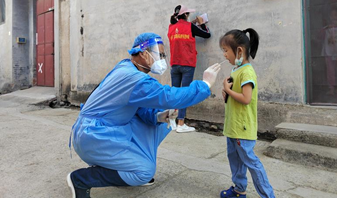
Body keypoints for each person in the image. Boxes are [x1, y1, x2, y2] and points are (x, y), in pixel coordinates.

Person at [67, 32, 221, 198]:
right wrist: (204, 84)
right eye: (159, 54)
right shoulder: (134, 78)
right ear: (142, 53)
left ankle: (127, 171)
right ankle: (81, 180)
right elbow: (168, 96)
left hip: (98, 131)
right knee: (145, 170)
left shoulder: (126, 68)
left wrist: (159, 117)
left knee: (158, 124)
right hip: (93, 137)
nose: (162, 59)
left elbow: (138, 107)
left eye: (163, 55)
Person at [219, 29, 275, 198]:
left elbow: (246, 98)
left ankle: (268, 195)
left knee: (251, 162)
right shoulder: (236, 69)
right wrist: (226, 93)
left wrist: (228, 90)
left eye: (226, 50)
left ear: (239, 51)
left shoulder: (247, 72)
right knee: (235, 160)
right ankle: (239, 189)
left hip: (242, 128)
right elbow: (236, 97)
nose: (224, 55)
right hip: (233, 126)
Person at [167, 5, 211, 133]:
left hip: (174, 64)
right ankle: (181, 123)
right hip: (187, 64)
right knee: (185, 94)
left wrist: (191, 24)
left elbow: (179, 31)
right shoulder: (190, 27)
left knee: (174, 93)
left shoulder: (171, 28)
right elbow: (207, 35)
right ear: (186, 15)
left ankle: (171, 121)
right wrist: (201, 24)